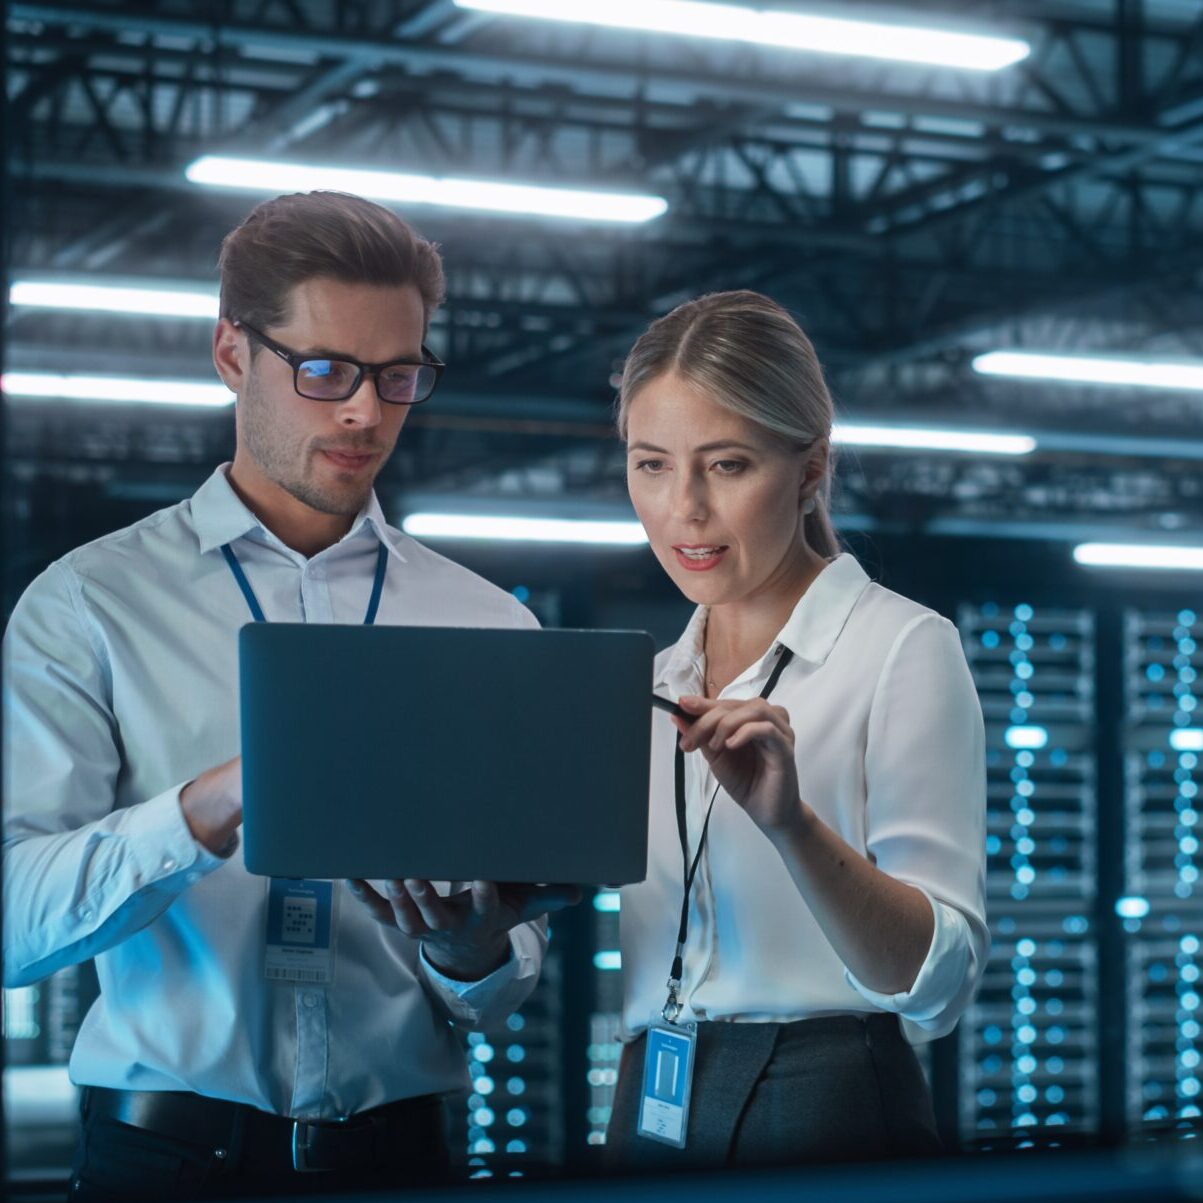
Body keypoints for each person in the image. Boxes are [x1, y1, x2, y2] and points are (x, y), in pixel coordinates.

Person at [3, 191, 576, 1201]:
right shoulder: (90, 604)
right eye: (324, 370)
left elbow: (497, 995)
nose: (364, 410)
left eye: (398, 376)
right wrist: (210, 805)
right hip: (164, 1165)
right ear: (232, 353)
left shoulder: (487, 624)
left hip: (406, 1163)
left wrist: (471, 950)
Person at [605, 290, 987, 1168]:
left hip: (828, 1098)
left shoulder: (900, 649)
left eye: (727, 464)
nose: (683, 510)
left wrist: (793, 827)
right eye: (651, 465)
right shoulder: (654, 678)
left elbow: (937, 985)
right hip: (651, 1094)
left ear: (811, 467)